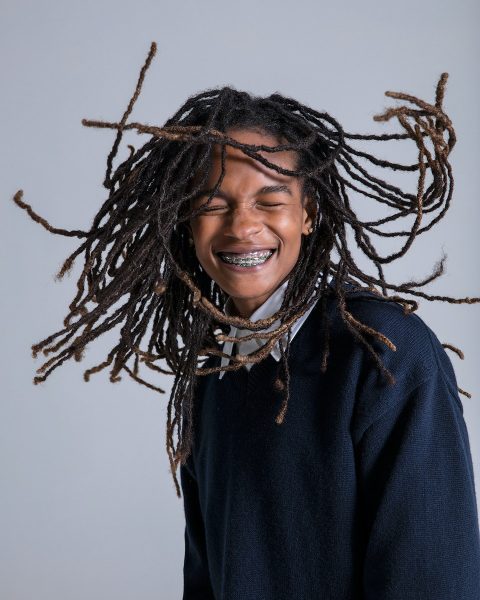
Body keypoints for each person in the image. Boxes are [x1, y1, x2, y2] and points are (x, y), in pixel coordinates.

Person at [12, 42, 480, 598]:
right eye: (213, 204)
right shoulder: (210, 374)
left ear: (308, 213)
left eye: (270, 201)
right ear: (186, 221)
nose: (241, 226)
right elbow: (205, 579)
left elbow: (432, 574)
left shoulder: (383, 352)